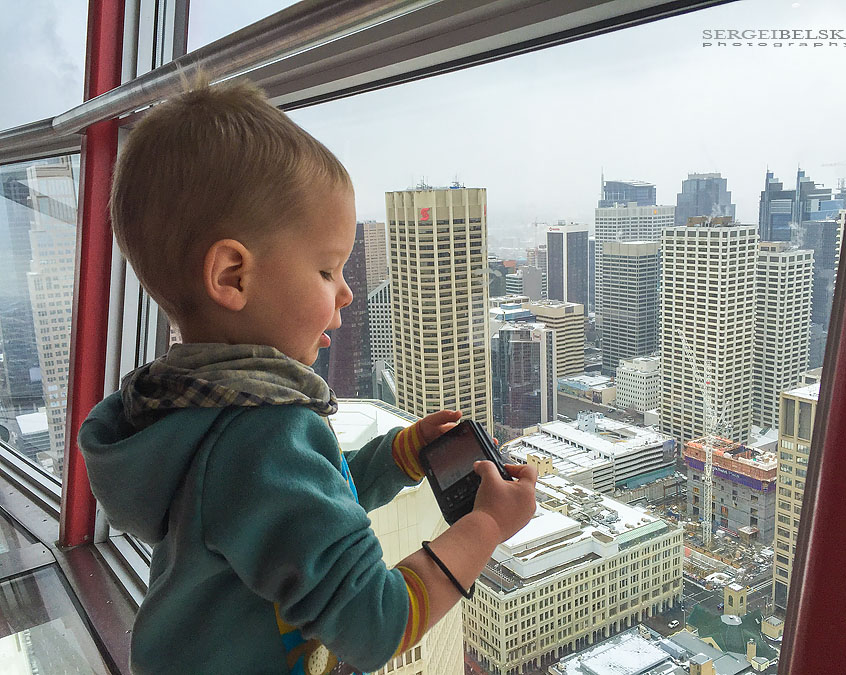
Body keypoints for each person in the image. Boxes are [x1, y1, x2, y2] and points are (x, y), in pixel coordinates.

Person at [77, 76, 537, 675]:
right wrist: (488, 526)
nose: (347, 292)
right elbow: (375, 625)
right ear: (233, 276)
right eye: (327, 269)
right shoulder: (259, 435)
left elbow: (303, 509)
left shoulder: (188, 412)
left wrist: (398, 455)